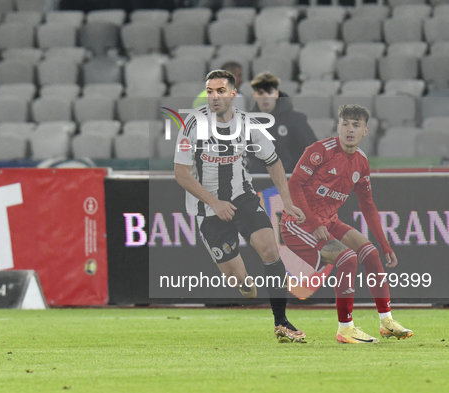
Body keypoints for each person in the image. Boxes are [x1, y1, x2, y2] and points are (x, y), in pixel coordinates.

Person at [174, 69, 307, 342]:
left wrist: (288, 202)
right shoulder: (192, 124)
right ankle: (244, 284)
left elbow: (273, 161)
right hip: (207, 209)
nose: (214, 97)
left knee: (270, 248)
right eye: (210, 91)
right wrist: (214, 202)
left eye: (220, 91)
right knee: (243, 284)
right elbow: (181, 173)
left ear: (233, 94)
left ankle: (281, 322)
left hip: (242, 197)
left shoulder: (248, 124)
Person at [280, 104, 413, 344]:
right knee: (348, 259)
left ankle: (386, 321)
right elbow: (294, 186)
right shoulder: (320, 151)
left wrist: (385, 244)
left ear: (366, 131)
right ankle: (345, 328)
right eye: (345, 124)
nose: (349, 129)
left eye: (356, 125)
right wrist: (312, 223)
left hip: (329, 221)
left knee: (371, 254)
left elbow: (368, 205)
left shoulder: (361, 162)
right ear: (338, 126)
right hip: (298, 224)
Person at [247, 72, 317, 174]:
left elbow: (312, 150)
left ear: (276, 94)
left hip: (290, 180)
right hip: (258, 182)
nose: (265, 97)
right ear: (254, 96)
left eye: (269, 92)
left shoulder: (295, 119)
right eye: (261, 93)